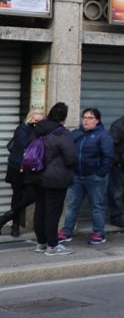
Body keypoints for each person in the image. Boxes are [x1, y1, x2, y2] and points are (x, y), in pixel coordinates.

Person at [60, 108, 115, 245]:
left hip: (95, 178)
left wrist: (100, 173)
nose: (86, 120)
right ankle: (66, 232)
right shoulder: (76, 134)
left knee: (97, 206)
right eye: (84, 117)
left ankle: (98, 233)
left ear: (97, 120)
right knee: (72, 205)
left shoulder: (103, 136)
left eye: (90, 118)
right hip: (77, 177)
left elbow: (108, 156)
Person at [28, 103, 77, 255]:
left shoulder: (37, 129)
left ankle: (41, 243)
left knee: (40, 210)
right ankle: (53, 245)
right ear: (63, 117)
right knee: (52, 212)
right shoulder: (61, 133)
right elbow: (70, 158)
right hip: (55, 179)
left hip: (37, 176)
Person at [0, 110, 44, 237]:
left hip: (30, 169)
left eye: (41, 121)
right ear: (30, 118)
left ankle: (4, 218)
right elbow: (26, 145)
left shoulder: (39, 132)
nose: (38, 124)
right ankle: (15, 225)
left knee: (30, 196)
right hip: (17, 168)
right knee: (17, 196)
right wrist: (36, 131)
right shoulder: (22, 129)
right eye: (36, 121)